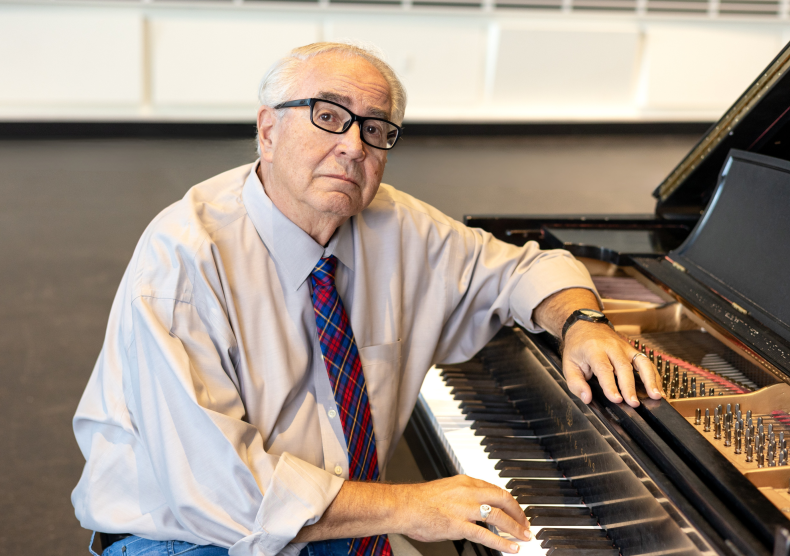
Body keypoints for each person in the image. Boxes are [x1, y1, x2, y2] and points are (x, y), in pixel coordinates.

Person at [72, 42, 663, 556]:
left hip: (331, 528)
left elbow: (526, 270)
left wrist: (581, 322)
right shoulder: (184, 257)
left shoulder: (396, 223)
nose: (354, 146)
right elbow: (216, 492)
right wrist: (410, 506)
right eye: (329, 116)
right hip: (187, 538)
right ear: (268, 130)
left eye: (375, 129)